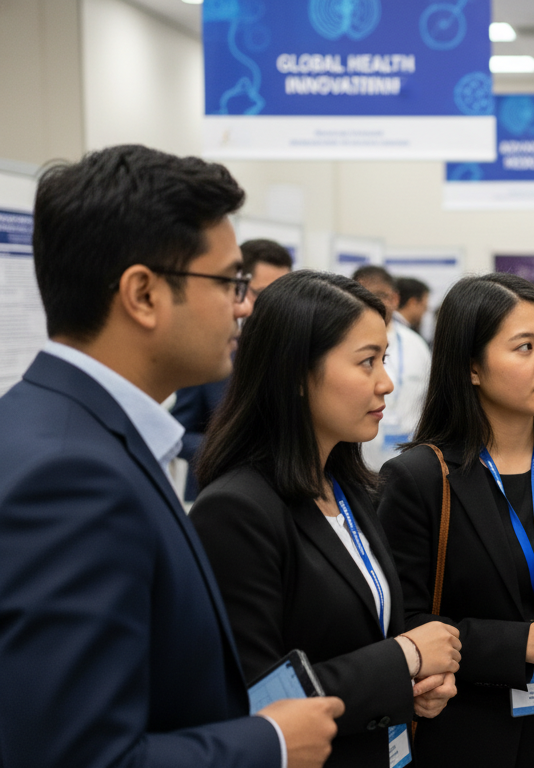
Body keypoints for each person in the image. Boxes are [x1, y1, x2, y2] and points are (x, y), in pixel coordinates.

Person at [0, 144, 342, 768]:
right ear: (143, 294)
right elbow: (76, 756)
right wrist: (269, 743)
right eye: (231, 282)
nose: (245, 305)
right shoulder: (73, 477)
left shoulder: (57, 427)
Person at [191, 271, 463, 767]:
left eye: (384, 359)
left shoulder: (351, 488)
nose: (386, 383)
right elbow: (260, 698)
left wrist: (412, 685)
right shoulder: (237, 511)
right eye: (366, 362)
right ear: (296, 372)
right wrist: (406, 657)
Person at [378, 272, 534, 768]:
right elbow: (404, 621)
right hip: (468, 733)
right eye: (524, 347)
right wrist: (522, 644)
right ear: (472, 367)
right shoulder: (420, 478)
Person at [172, 237, 293, 500]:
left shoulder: (297, 355)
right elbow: (178, 433)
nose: (276, 306)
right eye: (264, 294)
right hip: (222, 495)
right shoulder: (210, 355)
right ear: (241, 288)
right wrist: (237, 447)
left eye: (284, 296)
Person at [353, 265, 432, 470]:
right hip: (358, 463)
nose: (370, 302)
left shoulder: (416, 345)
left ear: (395, 299)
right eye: (361, 296)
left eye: (379, 295)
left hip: (410, 462)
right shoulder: (345, 345)